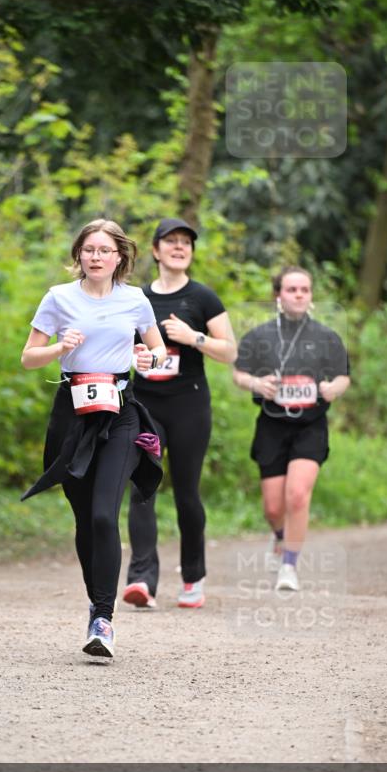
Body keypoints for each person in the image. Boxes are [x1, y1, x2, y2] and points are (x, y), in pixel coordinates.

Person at [21, 218, 166, 660]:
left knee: (105, 515)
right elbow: (29, 357)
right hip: (72, 414)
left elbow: (158, 350)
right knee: (85, 519)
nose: (96, 257)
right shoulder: (58, 298)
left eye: (104, 250)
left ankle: (103, 618)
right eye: (89, 250)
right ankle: (96, 601)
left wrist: (148, 357)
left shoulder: (135, 299)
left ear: (120, 257)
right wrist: (59, 348)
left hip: (120, 412)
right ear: (78, 255)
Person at [124, 218, 237, 610]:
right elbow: (120, 346)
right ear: (155, 250)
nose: (178, 247)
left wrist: (194, 338)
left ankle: (192, 578)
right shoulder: (137, 299)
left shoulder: (202, 297)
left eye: (185, 242)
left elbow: (230, 351)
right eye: (170, 241)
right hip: (146, 406)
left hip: (189, 406)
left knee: (187, 493)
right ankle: (142, 580)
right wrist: (134, 355)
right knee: (142, 487)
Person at [232, 265, 350, 590]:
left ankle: (289, 565)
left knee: (297, 495)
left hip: (311, 425)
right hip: (272, 424)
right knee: (273, 507)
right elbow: (239, 373)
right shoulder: (259, 336)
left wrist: (333, 388)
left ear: (311, 296)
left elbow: (343, 376)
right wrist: (256, 383)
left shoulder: (327, 337)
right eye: (291, 289)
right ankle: (280, 535)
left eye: (304, 290)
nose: (298, 295)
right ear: (278, 295)